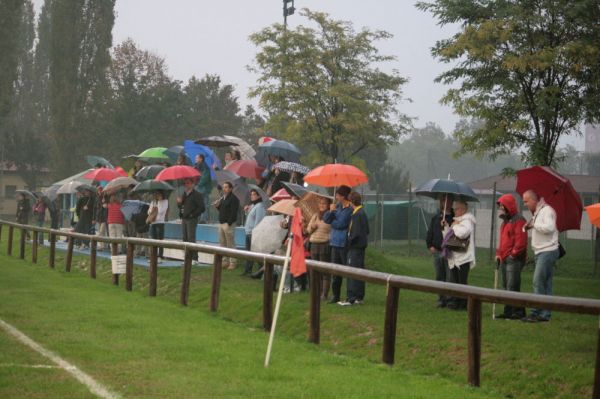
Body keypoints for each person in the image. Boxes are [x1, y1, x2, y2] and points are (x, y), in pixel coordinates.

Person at [521, 189, 559, 323]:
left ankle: (536, 312)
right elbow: (537, 227)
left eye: (526, 201)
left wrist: (534, 225)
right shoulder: (538, 211)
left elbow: (549, 228)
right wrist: (529, 226)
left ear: (533, 200)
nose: (525, 204)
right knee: (546, 283)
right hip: (541, 251)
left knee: (537, 281)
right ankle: (545, 315)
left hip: (547, 251)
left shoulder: (547, 210)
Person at [495, 194, 528, 319]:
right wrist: (498, 254)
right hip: (504, 258)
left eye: (502, 206)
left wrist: (513, 254)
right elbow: (502, 242)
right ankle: (508, 311)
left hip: (514, 259)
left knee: (512, 286)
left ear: (508, 206)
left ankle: (518, 312)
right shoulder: (504, 222)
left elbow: (521, 242)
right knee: (506, 285)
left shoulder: (519, 220)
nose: (500, 209)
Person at [323, 185, 353, 304]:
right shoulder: (337, 207)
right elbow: (326, 219)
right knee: (335, 271)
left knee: (347, 270)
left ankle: (350, 295)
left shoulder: (350, 209)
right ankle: (336, 295)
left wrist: (332, 222)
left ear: (343, 196)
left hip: (343, 243)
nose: (336, 197)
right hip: (334, 242)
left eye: (338, 195)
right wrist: (331, 211)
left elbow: (341, 223)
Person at [338, 192, 369, 306]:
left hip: (355, 248)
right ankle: (359, 297)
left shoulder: (357, 215)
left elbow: (354, 234)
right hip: (360, 247)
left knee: (352, 272)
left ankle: (351, 297)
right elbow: (367, 231)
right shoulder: (362, 212)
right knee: (360, 271)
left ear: (351, 202)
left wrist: (349, 242)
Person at [444, 199, 476, 310]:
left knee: (462, 282)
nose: (454, 210)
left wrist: (454, 226)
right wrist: (446, 227)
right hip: (455, 256)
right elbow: (448, 237)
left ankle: (464, 304)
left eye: (456, 208)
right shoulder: (456, 221)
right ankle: (457, 302)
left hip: (463, 257)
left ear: (462, 209)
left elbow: (462, 234)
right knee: (456, 282)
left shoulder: (467, 220)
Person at [426, 195, 454, 308]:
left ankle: (449, 299)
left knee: (449, 277)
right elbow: (430, 233)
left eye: (448, 200)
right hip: (437, 251)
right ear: (441, 202)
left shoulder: (454, 218)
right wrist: (430, 245)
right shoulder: (436, 218)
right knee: (439, 275)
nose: (446, 203)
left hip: (448, 252)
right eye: (443, 200)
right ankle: (441, 299)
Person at [307, 196, 333, 299]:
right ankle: (316, 292)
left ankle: (324, 294)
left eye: (324, 204)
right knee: (315, 270)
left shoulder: (330, 215)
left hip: (324, 244)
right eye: (320, 203)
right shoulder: (315, 215)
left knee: (324, 271)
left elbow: (329, 228)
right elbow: (308, 230)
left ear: (328, 205)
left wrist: (320, 224)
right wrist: (313, 226)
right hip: (314, 244)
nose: (321, 205)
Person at [178, 178, 205, 265]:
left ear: (193, 184)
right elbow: (181, 207)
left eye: (188, 183)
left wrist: (192, 215)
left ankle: (195, 258)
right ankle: (187, 258)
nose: (186, 185)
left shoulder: (197, 195)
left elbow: (202, 208)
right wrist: (179, 203)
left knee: (191, 238)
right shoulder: (184, 195)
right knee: (185, 238)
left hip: (191, 219)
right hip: (184, 219)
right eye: (185, 183)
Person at [214, 181, 239, 269]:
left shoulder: (234, 199)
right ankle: (225, 261)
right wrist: (217, 206)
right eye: (223, 187)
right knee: (222, 243)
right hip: (221, 223)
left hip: (228, 224)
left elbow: (233, 213)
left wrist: (229, 223)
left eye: (226, 187)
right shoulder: (223, 198)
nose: (224, 189)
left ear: (231, 189)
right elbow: (223, 211)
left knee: (230, 244)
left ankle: (233, 262)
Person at [242, 189, 267, 275]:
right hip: (248, 232)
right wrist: (246, 211)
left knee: (256, 253)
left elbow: (258, 220)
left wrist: (255, 232)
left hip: (253, 233)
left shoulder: (260, 206)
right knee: (248, 253)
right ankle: (248, 270)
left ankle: (261, 271)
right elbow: (249, 217)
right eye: (251, 194)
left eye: (254, 194)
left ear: (259, 196)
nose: (252, 196)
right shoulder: (253, 205)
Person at [147, 191, 169, 261]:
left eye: (159, 194)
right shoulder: (153, 202)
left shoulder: (165, 201)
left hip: (160, 222)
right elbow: (149, 211)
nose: (157, 195)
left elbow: (161, 211)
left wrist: (158, 203)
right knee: (153, 240)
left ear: (162, 194)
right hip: (153, 222)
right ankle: (154, 256)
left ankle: (160, 256)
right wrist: (152, 210)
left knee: (160, 240)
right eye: (156, 194)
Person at [194, 154, 212, 223]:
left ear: (201, 159)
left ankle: (204, 219)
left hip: (204, 189)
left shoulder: (205, 167)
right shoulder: (196, 166)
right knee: (198, 204)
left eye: (197, 158)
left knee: (205, 204)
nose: (195, 159)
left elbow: (204, 179)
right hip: (197, 189)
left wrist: (197, 184)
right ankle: (198, 218)